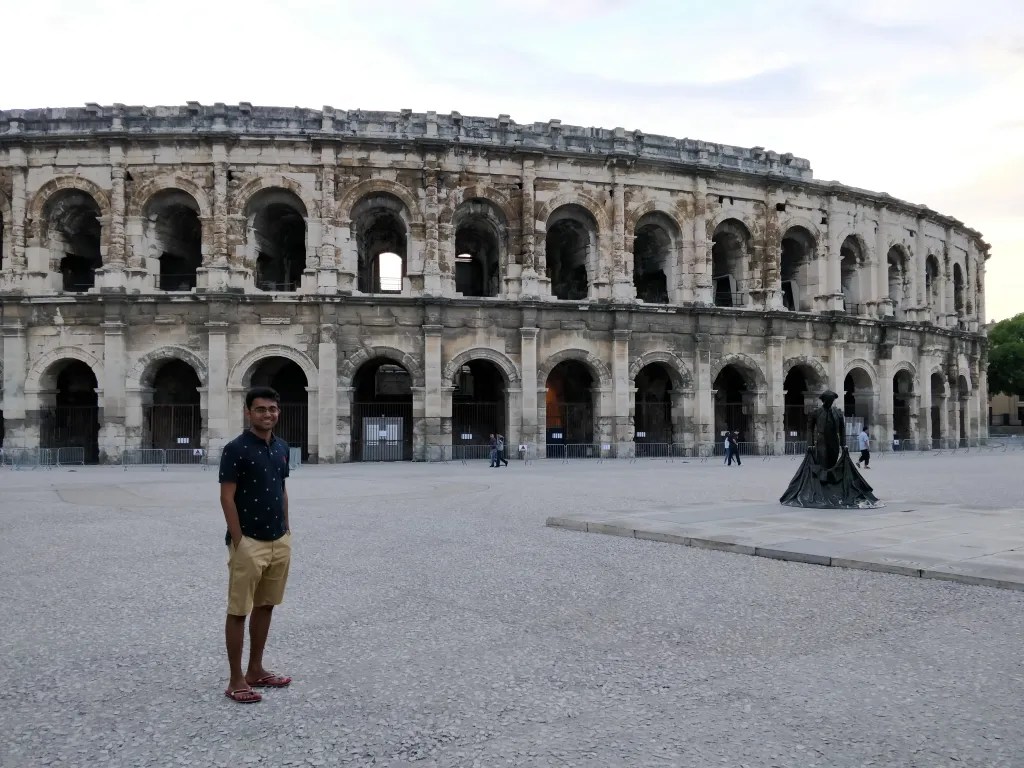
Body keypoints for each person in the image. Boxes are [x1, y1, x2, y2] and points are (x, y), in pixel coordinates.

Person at [218, 386, 294, 704]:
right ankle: (236, 680)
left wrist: (287, 531)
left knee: (266, 606)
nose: (268, 414)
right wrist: (240, 541)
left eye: (273, 409)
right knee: (239, 610)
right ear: (248, 412)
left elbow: (282, 489)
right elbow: (226, 496)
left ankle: (256, 669)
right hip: (249, 541)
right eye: (261, 409)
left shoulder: (281, 448)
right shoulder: (235, 449)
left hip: (279, 540)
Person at [780, 389, 879, 508]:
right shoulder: (816, 413)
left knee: (833, 464)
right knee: (822, 463)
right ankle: (822, 489)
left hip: (834, 441)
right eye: (829, 400)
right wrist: (810, 443)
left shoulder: (838, 413)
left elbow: (842, 430)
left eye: (832, 400)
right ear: (824, 400)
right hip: (821, 441)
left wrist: (844, 444)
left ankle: (831, 488)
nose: (831, 402)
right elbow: (810, 428)